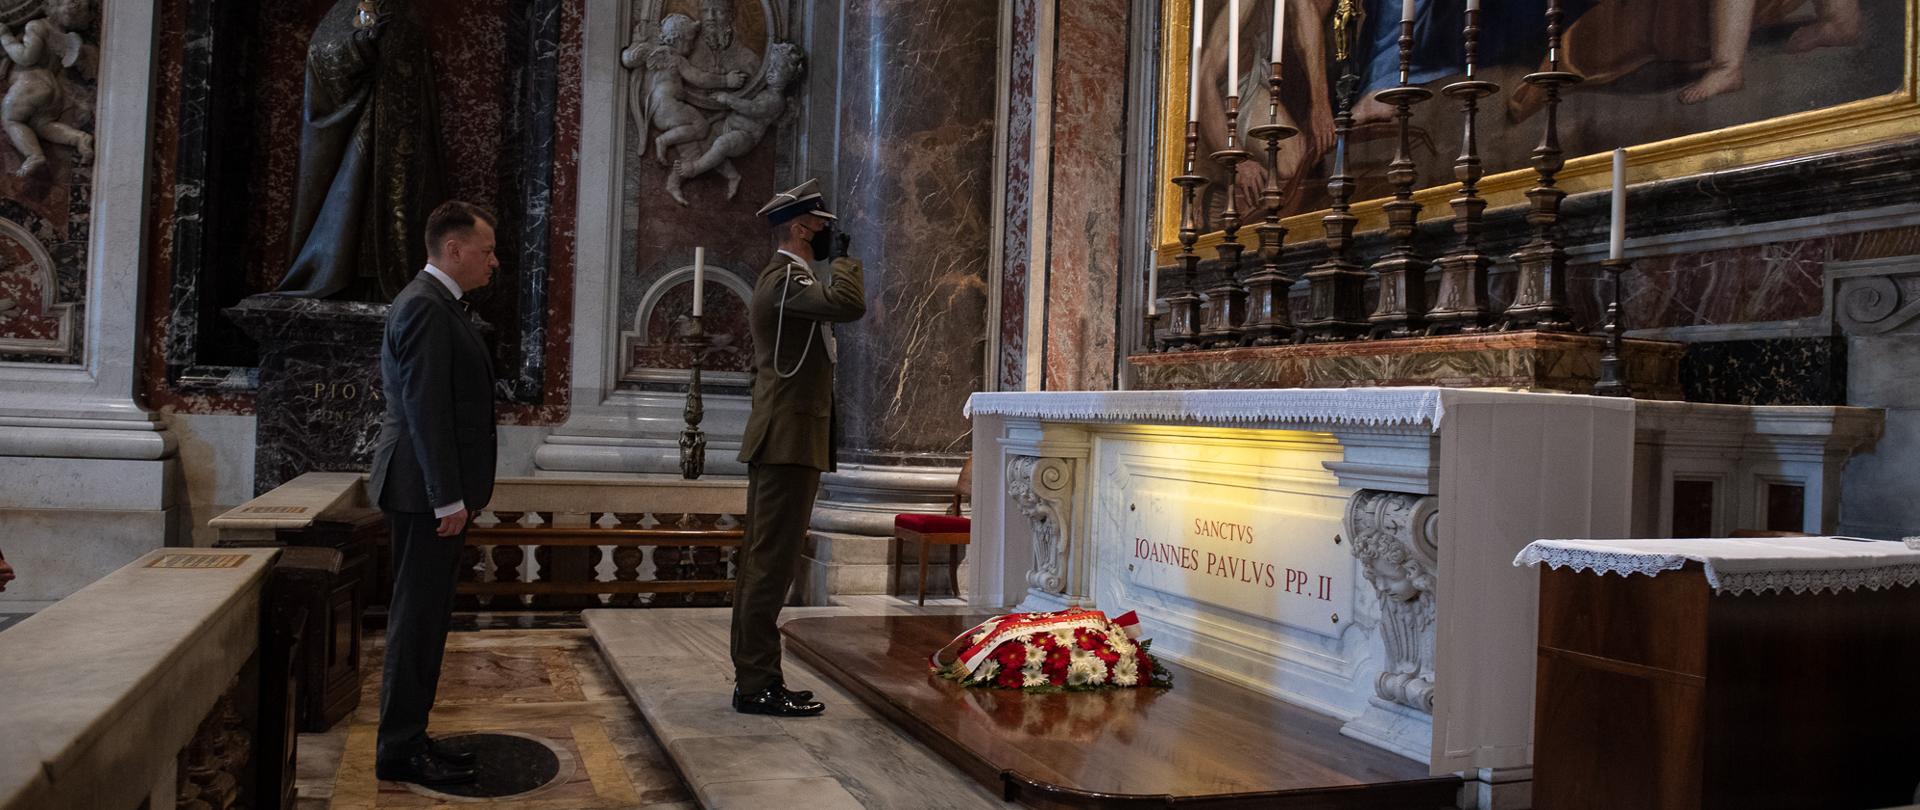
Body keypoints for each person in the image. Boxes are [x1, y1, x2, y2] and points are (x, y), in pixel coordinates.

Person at [366, 200, 499, 786]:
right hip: (424, 491)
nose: (494, 261)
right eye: (487, 250)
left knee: (427, 619)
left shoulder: (440, 304)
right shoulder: (424, 306)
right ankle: (398, 749)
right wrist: (447, 496)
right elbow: (425, 409)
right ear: (454, 249)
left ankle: (411, 737)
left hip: (430, 489)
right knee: (416, 620)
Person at [730, 179, 866, 717]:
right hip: (785, 440)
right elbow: (849, 305)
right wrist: (847, 262)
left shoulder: (794, 278)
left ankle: (758, 678)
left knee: (771, 563)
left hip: (793, 439)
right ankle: (756, 682)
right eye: (823, 227)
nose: (829, 235)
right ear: (801, 228)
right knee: (769, 566)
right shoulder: (784, 282)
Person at [277, 0, 446, 301]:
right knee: (351, 209)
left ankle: (391, 281)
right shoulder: (346, 10)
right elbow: (323, 53)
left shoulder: (404, 16)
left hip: (399, 146)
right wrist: (361, 45)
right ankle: (340, 275)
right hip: (357, 143)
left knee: (395, 218)